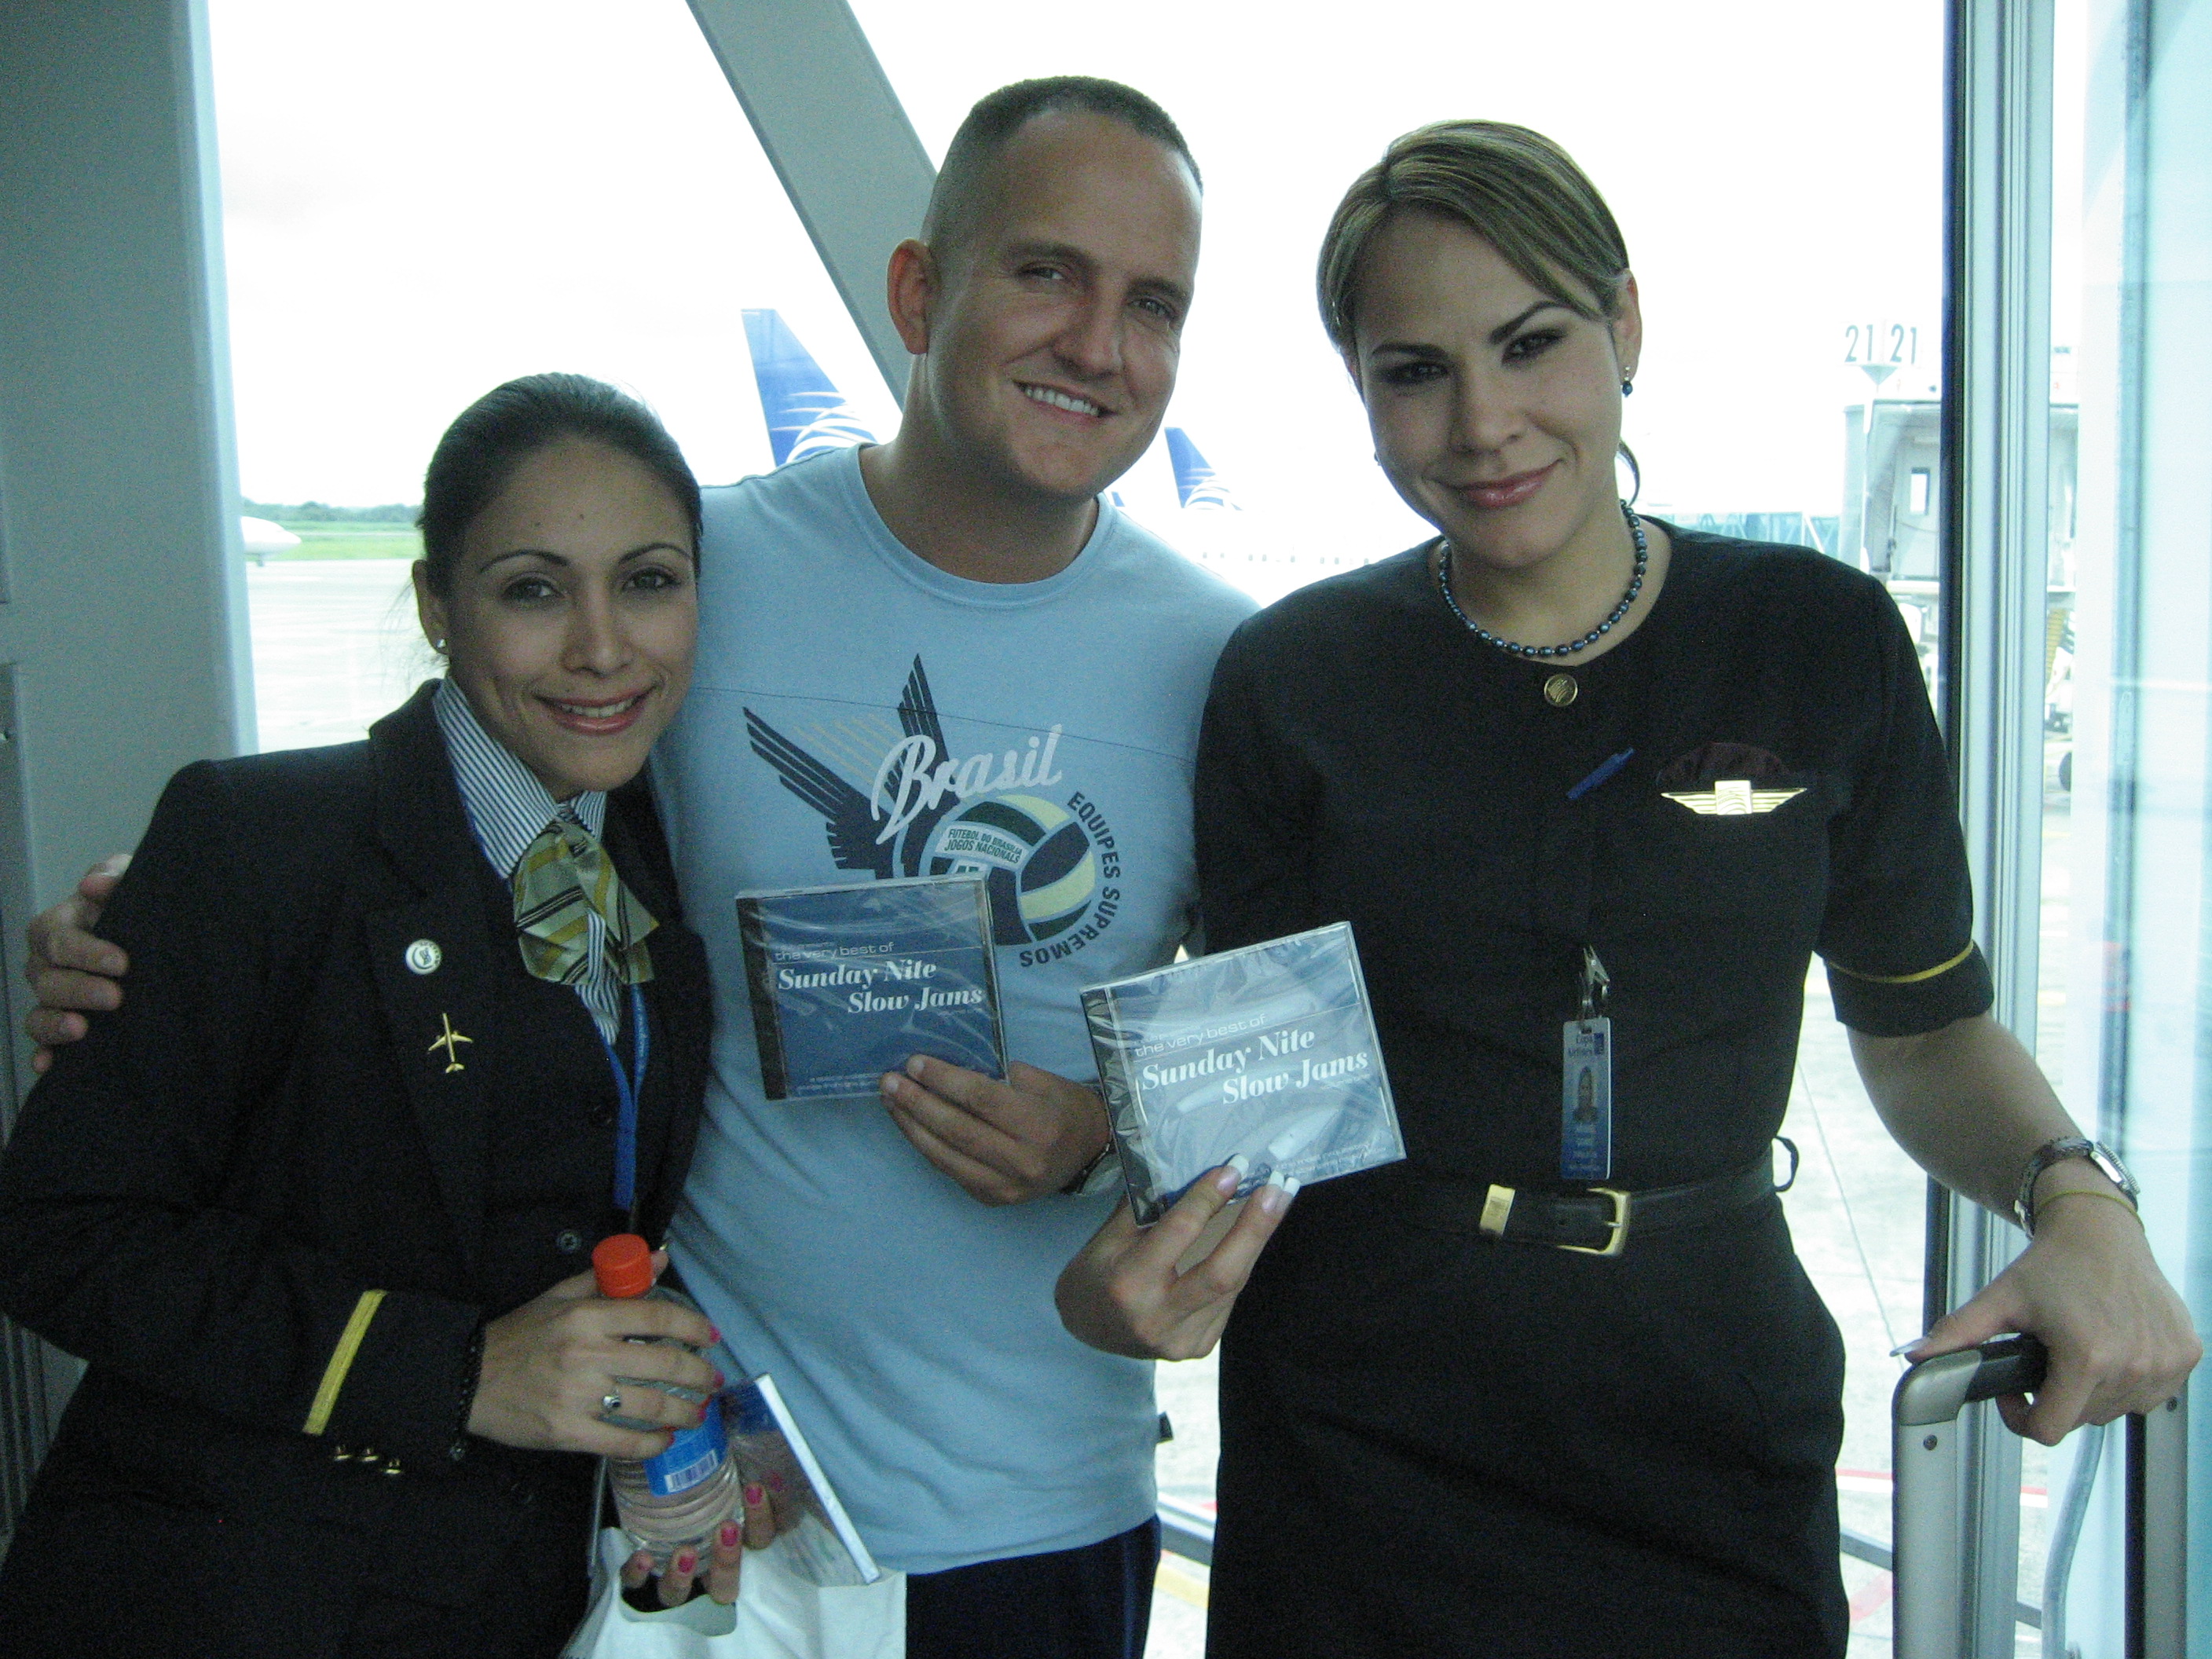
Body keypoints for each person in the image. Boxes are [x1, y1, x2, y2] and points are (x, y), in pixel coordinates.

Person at [22, 79, 1289, 1659]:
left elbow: (1293, 1051)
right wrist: (148, 927)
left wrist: (1110, 1127)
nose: (1097, 343)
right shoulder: (700, 573)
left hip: (1035, 1500)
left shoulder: (1230, 665)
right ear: (916, 290)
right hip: (697, 1500)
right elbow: (450, 813)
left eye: (1152, 301)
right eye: (1044, 272)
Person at [1056, 122, 2200, 1655]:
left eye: (1531, 344)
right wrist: (1111, 1241)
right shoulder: (1297, 679)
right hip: (1357, 1429)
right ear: (1361, 395)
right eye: (1414, 371)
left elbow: (1926, 1033)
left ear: (1627, 330)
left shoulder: (1816, 637)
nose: (1481, 422)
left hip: (1704, 1410)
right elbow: (1264, 1081)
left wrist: (2083, 1204)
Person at [0, 373, 766, 1656]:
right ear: (434, 604)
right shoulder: (257, 843)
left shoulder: (643, 851)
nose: (602, 646)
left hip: (515, 1599)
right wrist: (456, 1372)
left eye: (648, 581)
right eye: (532, 588)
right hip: (238, 1603)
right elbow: (56, 1232)